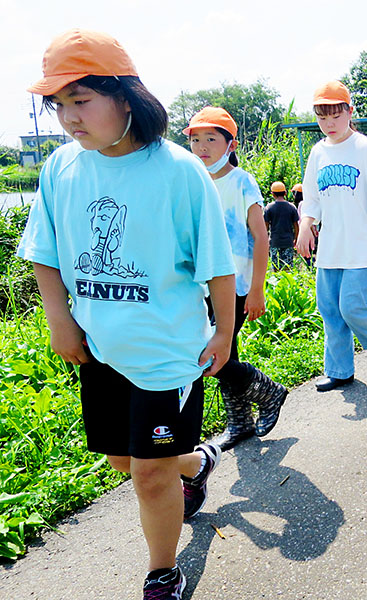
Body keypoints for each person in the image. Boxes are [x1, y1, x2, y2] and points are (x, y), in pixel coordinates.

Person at [18, 29, 236, 599]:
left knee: (148, 472)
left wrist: (224, 331)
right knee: (124, 458)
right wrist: (58, 320)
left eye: (81, 101)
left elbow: (216, 264)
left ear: (125, 96)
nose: (69, 118)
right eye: (59, 106)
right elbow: (44, 252)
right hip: (99, 349)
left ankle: (162, 569)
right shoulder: (61, 169)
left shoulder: (179, 171)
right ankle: (198, 461)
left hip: (167, 351)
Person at [185, 107, 287, 452]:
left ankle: (268, 391)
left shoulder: (241, 181)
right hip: (200, 287)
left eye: (211, 139)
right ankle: (240, 421)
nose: (202, 147)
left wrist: (256, 289)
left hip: (237, 286)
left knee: (213, 356)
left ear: (231, 144)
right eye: (195, 140)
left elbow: (261, 237)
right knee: (225, 351)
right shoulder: (192, 182)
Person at [295, 81, 367, 392]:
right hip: (330, 249)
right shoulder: (318, 152)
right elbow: (311, 198)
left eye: (335, 115)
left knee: (352, 306)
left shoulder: (365, 149)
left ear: (349, 112)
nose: (329, 124)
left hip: (363, 249)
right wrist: (304, 225)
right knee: (329, 311)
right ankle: (340, 371)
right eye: (322, 117)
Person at [264, 180, 300, 270]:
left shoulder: (269, 207)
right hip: (288, 242)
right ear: (285, 193)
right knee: (288, 269)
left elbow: (265, 227)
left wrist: (266, 241)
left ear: (273, 194)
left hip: (274, 242)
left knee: (276, 269)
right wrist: (296, 238)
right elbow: (296, 226)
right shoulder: (291, 207)